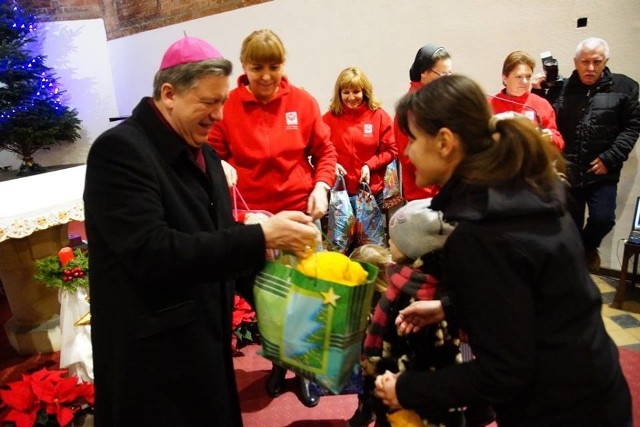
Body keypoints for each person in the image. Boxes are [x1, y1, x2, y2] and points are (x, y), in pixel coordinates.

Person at [83, 35, 320, 426]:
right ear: (169, 93)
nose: (219, 115)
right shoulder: (120, 152)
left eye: (223, 101)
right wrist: (261, 236)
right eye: (209, 102)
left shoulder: (206, 155)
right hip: (151, 358)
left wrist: (288, 296)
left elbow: (220, 241)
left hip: (205, 342)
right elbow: (153, 251)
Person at [375, 74, 632, 426]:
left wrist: (407, 389)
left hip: (559, 410)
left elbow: (505, 373)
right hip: (597, 389)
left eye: (414, 139)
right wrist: (449, 305)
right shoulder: (525, 186)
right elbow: (531, 292)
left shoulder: (480, 235)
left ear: (445, 142)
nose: (406, 151)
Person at [207, 28, 337, 407]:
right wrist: (221, 166)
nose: (266, 75)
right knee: (268, 301)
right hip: (252, 223)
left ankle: (308, 371)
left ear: (284, 65)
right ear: (244, 65)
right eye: (257, 66)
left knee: (306, 300)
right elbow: (208, 154)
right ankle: (280, 361)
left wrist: (321, 186)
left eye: (274, 66)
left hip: (298, 215)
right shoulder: (227, 106)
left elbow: (325, 151)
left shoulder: (303, 102)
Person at [535, 37, 640, 271]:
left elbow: (632, 127)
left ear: (606, 62)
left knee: (603, 219)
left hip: (602, 171)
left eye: (596, 61)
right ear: (575, 62)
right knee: (567, 225)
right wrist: (539, 91)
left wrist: (609, 158)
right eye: (585, 62)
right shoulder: (561, 88)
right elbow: (545, 120)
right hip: (568, 171)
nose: (590, 68)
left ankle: (584, 251)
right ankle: (572, 275)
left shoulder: (625, 87)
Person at [322, 66, 397, 209]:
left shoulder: (379, 116)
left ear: (365, 91)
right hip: (339, 195)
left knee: (371, 233)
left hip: (371, 192)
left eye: (356, 91)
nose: (351, 97)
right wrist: (332, 164)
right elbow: (317, 153)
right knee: (344, 233)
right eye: (346, 92)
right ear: (339, 93)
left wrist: (369, 165)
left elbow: (392, 149)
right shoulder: (327, 120)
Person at [395, 44, 451, 202]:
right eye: (442, 74)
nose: (448, 80)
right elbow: (410, 159)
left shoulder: (438, 100)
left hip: (444, 191)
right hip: (424, 195)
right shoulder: (411, 107)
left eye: (450, 73)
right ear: (424, 73)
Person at [489, 50, 564, 150]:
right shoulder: (489, 104)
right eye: (519, 77)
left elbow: (559, 143)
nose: (524, 82)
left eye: (528, 77)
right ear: (505, 78)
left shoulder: (542, 104)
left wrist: (550, 137)